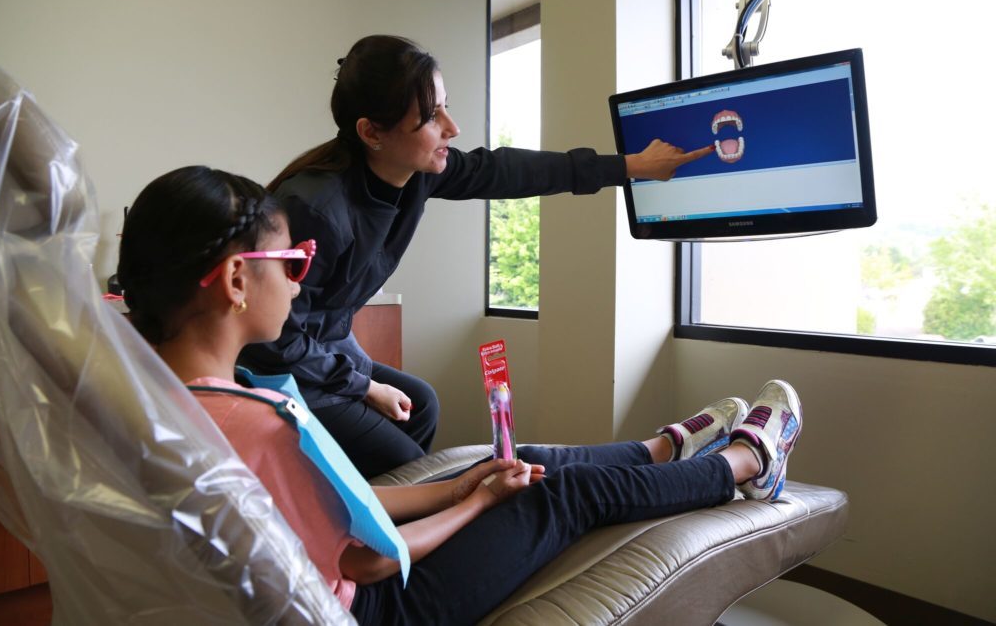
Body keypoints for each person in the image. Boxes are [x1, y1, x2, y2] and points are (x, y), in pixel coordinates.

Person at [117, 165, 803, 626]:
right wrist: (476, 501)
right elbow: (369, 557)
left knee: (515, 459)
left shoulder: (156, 405)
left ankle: (661, 449)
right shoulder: (258, 423)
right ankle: (745, 465)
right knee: (561, 493)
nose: (301, 282)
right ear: (237, 281)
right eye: (292, 264)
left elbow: (330, 508)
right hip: (377, 606)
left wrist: (460, 487)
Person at [239, 35, 716, 477]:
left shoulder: (419, 174)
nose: (452, 127)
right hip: (278, 362)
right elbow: (273, 341)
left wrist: (631, 167)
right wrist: (365, 387)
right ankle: (382, 527)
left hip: (324, 342)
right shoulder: (315, 208)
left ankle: (381, 527)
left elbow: (509, 171)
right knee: (406, 463)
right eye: (430, 118)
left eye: (446, 107)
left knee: (421, 402)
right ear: (372, 132)